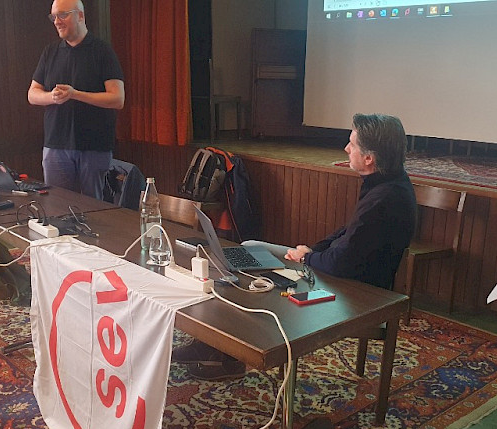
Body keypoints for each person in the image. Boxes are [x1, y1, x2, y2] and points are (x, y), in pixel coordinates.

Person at [174, 113, 417, 380]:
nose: (346, 149)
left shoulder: (384, 199)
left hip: (354, 290)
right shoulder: (388, 183)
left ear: (369, 158)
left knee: (247, 255)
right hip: (340, 271)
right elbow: (349, 232)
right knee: (248, 252)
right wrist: (313, 250)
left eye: (352, 144)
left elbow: (342, 262)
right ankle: (216, 346)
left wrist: (306, 259)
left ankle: (226, 357)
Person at [28, 0, 125, 197]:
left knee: (94, 209)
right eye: (54, 17)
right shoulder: (50, 52)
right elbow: (32, 94)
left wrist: (75, 94)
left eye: (62, 15)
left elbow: (117, 99)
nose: (57, 21)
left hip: (94, 146)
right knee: (57, 207)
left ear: (80, 15)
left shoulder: (102, 51)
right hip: (56, 145)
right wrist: (52, 97)